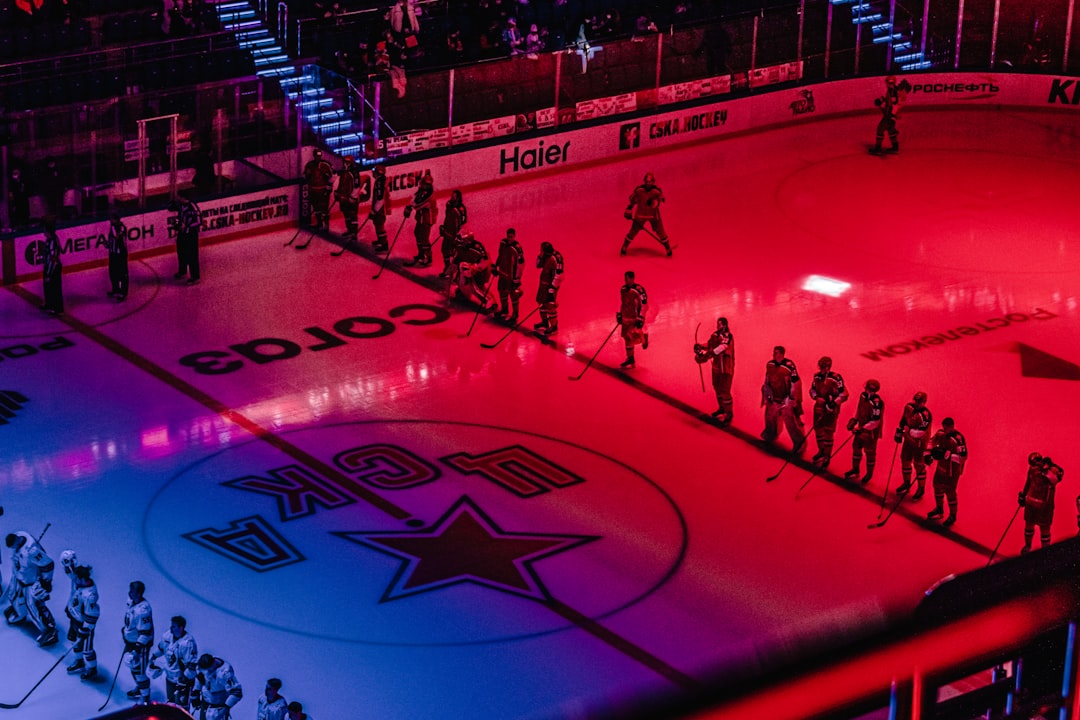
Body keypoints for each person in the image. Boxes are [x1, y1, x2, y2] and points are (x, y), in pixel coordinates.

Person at [2, 531, 59, 646]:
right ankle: (20, 614)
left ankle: (49, 629)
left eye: (13, 546)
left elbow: (48, 564)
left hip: (32, 582)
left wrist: (45, 582)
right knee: (14, 598)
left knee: (33, 605)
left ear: (17, 540)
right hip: (19, 578)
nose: (13, 549)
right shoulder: (19, 537)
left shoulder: (32, 551)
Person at [60, 551, 101, 679]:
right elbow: (71, 574)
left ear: (82, 578)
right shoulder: (79, 582)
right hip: (75, 619)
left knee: (87, 649)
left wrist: (86, 629)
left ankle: (92, 669)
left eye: (76, 578)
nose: (74, 579)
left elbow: (93, 614)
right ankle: (79, 662)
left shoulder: (89, 596)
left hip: (84, 626)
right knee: (74, 641)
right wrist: (68, 561)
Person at [760, 346, 805, 453]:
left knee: (790, 422)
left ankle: (798, 442)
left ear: (782, 354)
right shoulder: (770, 365)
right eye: (774, 352)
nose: (775, 355)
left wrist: (792, 399)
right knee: (770, 417)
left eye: (777, 353)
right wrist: (767, 395)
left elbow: (796, 383)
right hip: (774, 398)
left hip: (786, 400)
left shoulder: (789, 366)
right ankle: (770, 436)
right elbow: (767, 381)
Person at [924, 417, 967, 526]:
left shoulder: (958, 439)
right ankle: (939, 509)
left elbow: (963, 457)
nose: (945, 429)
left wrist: (949, 456)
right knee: (937, 486)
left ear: (952, 427)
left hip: (952, 471)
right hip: (941, 467)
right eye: (944, 427)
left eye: (947, 427)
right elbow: (931, 442)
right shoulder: (940, 434)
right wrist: (927, 454)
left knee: (950, 492)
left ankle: (953, 515)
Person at [1019, 453, 1065, 553]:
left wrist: (1046, 471)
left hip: (1045, 506)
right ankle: (1028, 546)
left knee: (1045, 529)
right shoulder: (1032, 470)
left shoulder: (1052, 470)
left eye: (1036, 462)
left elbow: (1055, 479)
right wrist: (1023, 495)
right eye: (1033, 464)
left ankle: (1045, 550)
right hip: (1031, 502)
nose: (1035, 465)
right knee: (1029, 525)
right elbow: (1028, 482)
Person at [150, 615, 199, 708]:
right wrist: (153, 656)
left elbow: (192, 665)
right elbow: (162, 648)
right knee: (171, 704)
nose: (171, 629)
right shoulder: (167, 636)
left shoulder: (188, 643)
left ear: (181, 627)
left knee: (181, 708)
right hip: (170, 678)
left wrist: (185, 679)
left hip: (182, 682)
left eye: (173, 626)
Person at [808, 356, 849, 468]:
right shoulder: (816, 376)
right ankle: (821, 450)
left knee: (828, 432)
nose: (822, 369)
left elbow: (844, 394)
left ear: (828, 367)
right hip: (819, 407)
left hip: (831, 410)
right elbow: (812, 390)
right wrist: (816, 397)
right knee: (818, 429)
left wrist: (834, 403)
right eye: (820, 366)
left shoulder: (836, 378)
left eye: (824, 367)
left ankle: (827, 455)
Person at [694, 317, 735, 426]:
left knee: (725, 391)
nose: (718, 326)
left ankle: (729, 413)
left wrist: (710, 354)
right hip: (716, 367)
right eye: (717, 324)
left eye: (720, 324)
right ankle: (722, 408)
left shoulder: (727, 336)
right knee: (717, 388)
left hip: (726, 368)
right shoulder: (715, 335)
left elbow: (722, 347)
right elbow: (710, 345)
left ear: (725, 325)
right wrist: (700, 346)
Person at [621, 172, 672, 257]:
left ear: (653, 182)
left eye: (650, 182)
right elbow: (633, 200)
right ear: (644, 181)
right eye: (647, 182)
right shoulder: (639, 190)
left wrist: (655, 202)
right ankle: (625, 246)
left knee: (661, 231)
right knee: (633, 231)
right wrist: (629, 208)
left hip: (653, 215)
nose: (648, 184)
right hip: (640, 215)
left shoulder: (656, 191)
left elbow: (661, 200)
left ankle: (667, 247)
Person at [844, 379, 885, 484]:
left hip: (870, 433)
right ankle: (855, 469)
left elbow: (876, 421)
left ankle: (869, 474)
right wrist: (854, 420)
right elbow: (859, 409)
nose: (866, 390)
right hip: (861, 429)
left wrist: (862, 428)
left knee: (870, 453)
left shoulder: (877, 402)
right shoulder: (863, 396)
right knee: (856, 448)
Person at [894, 391, 932, 500]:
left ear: (924, 402)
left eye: (920, 402)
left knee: (919, 465)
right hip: (908, 441)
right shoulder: (908, 407)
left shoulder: (925, 415)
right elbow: (903, 421)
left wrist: (908, 430)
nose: (917, 403)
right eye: (916, 400)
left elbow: (920, 432)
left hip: (920, 443)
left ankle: (921, 488)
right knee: (905, 460)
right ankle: (906, 483)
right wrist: (899, 431)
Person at [123, 580, 155, 704]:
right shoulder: (131, 602)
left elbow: (145, 633)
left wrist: (137, 650)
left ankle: (145, 696)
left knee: (140, 672)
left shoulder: (143, 610)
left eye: (133, 592)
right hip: (131, 642)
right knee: (133, 667)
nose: (130, 594)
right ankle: (140, 688)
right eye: (130, 591)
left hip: (141, 646)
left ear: (140, 593)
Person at [193, 652, 244, 720]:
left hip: (219, 708)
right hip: (205, 704)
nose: (206, 673)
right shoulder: (201, 667)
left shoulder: (225, 673)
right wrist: (196, 693)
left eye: (208, 670)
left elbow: (237, 692)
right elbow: (199, 677)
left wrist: (226, 707)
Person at [870, 75, 910, 154]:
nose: (889, 84)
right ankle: (895, 147)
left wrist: (891, 116)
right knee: (891, 130)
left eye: (890, 82)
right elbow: (890, 100)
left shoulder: (892, 91)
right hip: (891, 114)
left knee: (880, 128)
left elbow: (894, 104)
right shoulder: (893, 90)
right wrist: (881, 100)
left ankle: (878, 148)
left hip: (889, 114)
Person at [403, 171, 436, 267]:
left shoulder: (430, 196)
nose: (420, 184)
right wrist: (409, 205)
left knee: (424, 238)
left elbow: (418, 205)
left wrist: (411, 207)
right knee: (417, 233)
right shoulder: (422, 191)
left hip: (426, 219)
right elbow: (414, 198)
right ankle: (421, 254)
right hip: (420, 218)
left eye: (423, 183)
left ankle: (428, 257)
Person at [617, 270, 648, 369]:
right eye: (625, 278)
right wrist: (620, 314)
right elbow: (624, 303)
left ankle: (644, 337)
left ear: (632, 278)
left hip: (635, 317)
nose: (626, 280)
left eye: (627, 278)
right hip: (626, 317)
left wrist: (641, 317)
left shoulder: (639, 290)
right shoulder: (623, 289)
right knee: (627, 338)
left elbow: (644, 304)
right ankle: (630, 358)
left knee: (632, 335)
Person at [493, 228, 524, 323]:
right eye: (508, 236)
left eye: (511, 236)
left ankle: (515, 315)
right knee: (501, 291)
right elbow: (500, 255)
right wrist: (496, 266)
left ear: (514, 236)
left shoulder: (517, 248)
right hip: (502, 273)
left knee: (513, 295)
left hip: (511, 276)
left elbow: (521, 264)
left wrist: (517, 278)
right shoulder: (503, 243)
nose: (509, 238)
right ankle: (504, 309)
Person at [534, 241, 564, 336]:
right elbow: (538, 265)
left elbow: (560, 275)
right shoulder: (545, 256)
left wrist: (552, 287)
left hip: (550, 286)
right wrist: (540, 255)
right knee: (541, 302)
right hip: (543, 284)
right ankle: (545, 322)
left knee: (550, 305)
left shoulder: (556, 258)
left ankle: (554, 326)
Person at [173, 193, 202, 284]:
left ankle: (195, 276)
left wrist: (187, 227)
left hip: (191, 234)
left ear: (184, 197)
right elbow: (178, 217)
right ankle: (182, 271)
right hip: (182, 233)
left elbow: (199, 221)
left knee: (192, 255)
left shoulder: (192, 207)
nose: (178, 198)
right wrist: (177, 227)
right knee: (181, 252)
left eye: (179, 196)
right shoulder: (181, 206)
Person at [439, 189, 467, 277]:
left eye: (453, 196)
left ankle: (456, 273)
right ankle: (447, 268)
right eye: (451, 196)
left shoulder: (461, 209)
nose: (451, 197)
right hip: (448, 232)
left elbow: (463, 222)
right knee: (445, 250)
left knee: (455, 254)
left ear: (458, 198)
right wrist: (444, 227)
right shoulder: (449, 204)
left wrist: (458, 235)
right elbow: (447, 217)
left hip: (455, 234)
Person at [303, 149, 333, 229]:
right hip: (313, 190)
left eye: (319, 156)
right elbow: (306, 176)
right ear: (314, 156)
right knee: (316, 208)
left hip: (323, 190)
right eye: (316, 156)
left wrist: (328, 188)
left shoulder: (326, 165)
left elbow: (332, 177)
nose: (318, 157)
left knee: (324, 208)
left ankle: (326, 225)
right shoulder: (310, 165)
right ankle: (319, 223)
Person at [40, 216, 64, 315]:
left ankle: (57, 308)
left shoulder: (52, 242)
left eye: (44, 230)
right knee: (48, 287)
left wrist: (49, 273)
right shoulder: (52, 239)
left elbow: (53, 259)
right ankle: (49, 304)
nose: (43, 232)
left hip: (53, 268)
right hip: (49, 267)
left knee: (55, 288)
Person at [334, 155, 360, 240]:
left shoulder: (354, 172)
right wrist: (338, 193)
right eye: (345, 161)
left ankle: (354, 233)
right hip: (344, 198)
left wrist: (353, 197)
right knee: (346, 214)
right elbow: (341, 184)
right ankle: (349, 230)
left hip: (350, 198)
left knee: (352, 215)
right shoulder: (344, 172)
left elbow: (357, 185)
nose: (345, 163)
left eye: (347, 162)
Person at [106, 212, 129, 301]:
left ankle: (123, 292)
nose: (110, 221)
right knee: (113, 272)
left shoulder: (121, 227)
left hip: (121, 254)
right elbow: (112, 239)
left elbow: (116, 236)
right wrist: (108, 245)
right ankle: (115, 289)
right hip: (113, 253)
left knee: (123, 273)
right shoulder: (113, 228)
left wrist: (112, 227)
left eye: (112, 219)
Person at [369, 164, 392, 252]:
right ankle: (380, 240)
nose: (373, 173)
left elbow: (380, 198)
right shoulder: (380, 180)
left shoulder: (380, 182)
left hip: (380, 209)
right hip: (380, 208)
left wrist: (374, 211)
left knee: (379, 225)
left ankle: (384, 244)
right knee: (377, 223)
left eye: (374, 171)